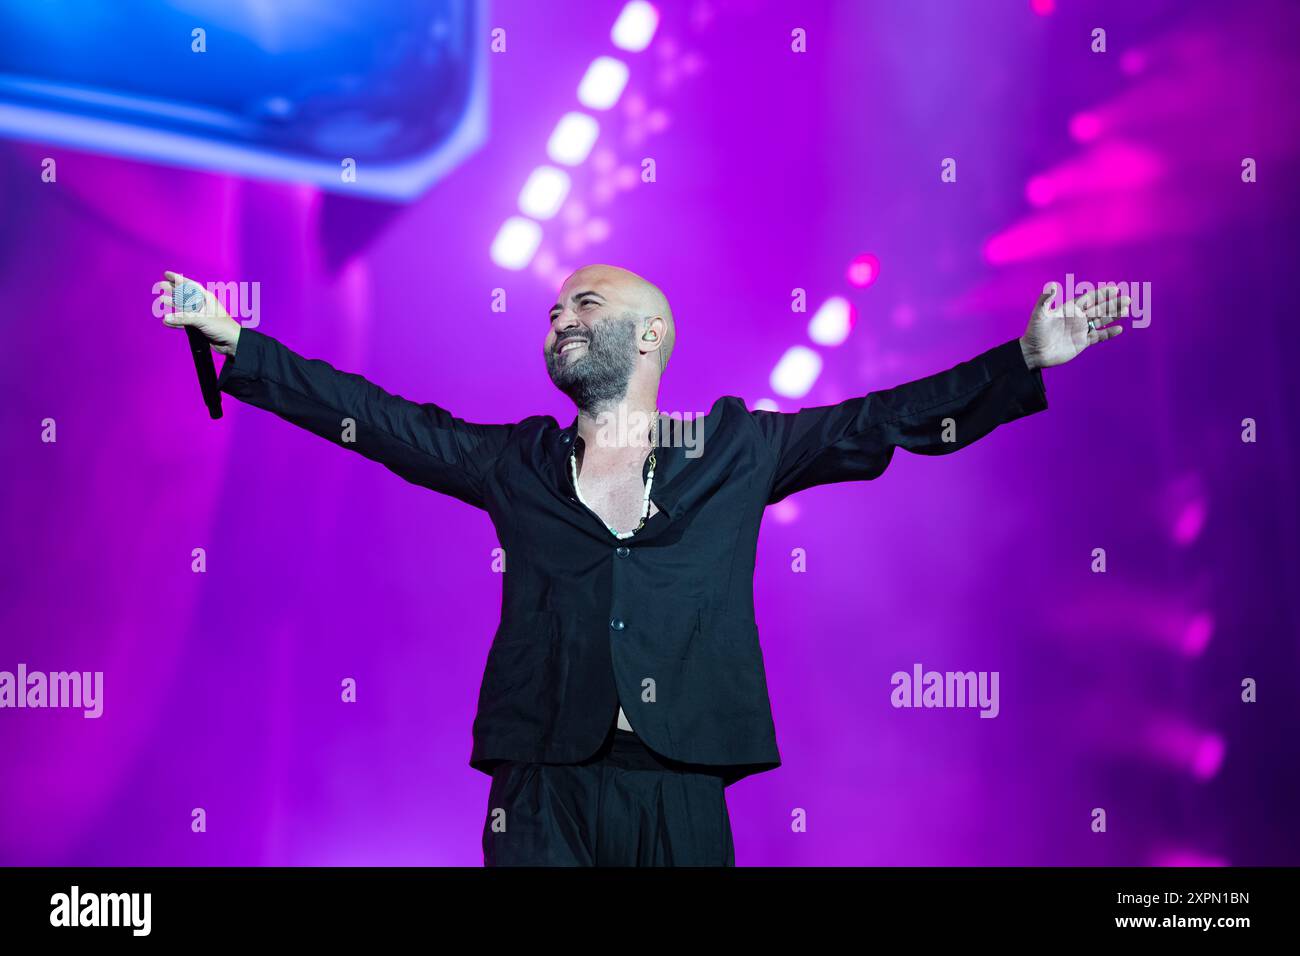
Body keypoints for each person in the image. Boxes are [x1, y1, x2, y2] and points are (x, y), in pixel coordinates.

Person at [161, 264, 1126, 866]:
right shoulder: (517, 461)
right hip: (542, 786)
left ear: (651, 334)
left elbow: (881, 422)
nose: (559, 320)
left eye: (585, 303)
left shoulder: (735, 450)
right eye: (549, 313)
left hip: (681, 784)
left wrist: (1021, 364)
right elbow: (379, 421)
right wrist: (238, 345)